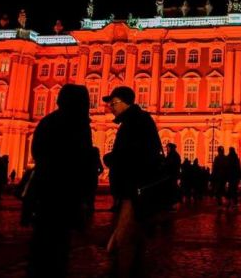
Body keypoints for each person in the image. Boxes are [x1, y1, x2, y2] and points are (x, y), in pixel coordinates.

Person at [28, 84, 94, 278]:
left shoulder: (48, 121)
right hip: (65, 191)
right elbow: (83, 159)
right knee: (59, 242)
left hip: (45, 188)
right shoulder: (79, 124)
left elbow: (37, 152)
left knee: (42, 239)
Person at [102, 86, 164, 277]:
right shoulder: (136, 120)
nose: (110, 107)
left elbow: (136, 153)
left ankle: (126, 272)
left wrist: (112, 158)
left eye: (113, 103)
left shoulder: (134, 122)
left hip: (134, 188)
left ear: (124, 103)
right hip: (133, 188)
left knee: (125, 239)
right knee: (132, 235)